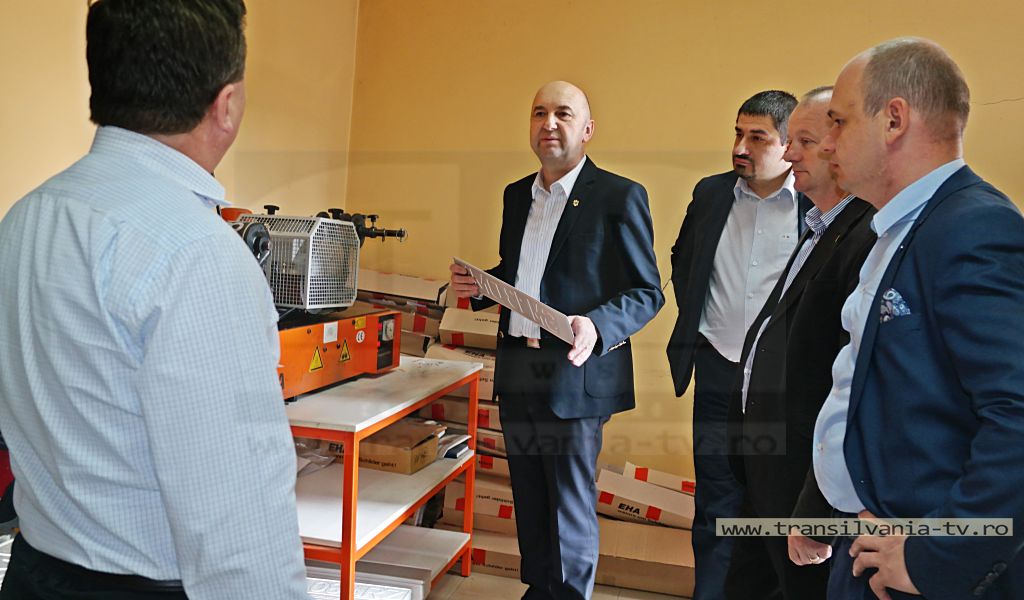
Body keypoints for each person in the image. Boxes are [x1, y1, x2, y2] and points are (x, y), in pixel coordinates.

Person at [0, 1, 308, 598]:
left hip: (33, 571)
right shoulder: (198, 254)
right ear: (226, 104)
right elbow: (238, 528)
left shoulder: (27, 218)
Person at [812, 37, 1024, 599]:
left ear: (894, 120)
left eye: (839, 122)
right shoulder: (898, 227)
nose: (827, 142)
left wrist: (938, 556)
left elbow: (1017, 413)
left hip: (920, 566)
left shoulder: (973, 228)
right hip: (869, 541)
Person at [448, 81, 663, 600]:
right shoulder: (516, 194)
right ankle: (540, 589)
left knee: (568, 503)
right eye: (539, 112)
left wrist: (597, 324)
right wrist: (479, 288)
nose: (548, 123)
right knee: (530, 495)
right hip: (518, 367)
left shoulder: (619, 196)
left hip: (575, 371)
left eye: (563, 114)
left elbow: (646, 292)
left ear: (587, 130)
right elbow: (522, 274)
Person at [723, 87, 876, 600]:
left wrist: (817, 515)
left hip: (804, 485)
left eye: (803, 142)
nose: (789, 155)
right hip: (767, 468)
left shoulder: (865, 237)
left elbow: (851, 387)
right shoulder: (820, 226)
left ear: (840, 146)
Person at [666, 89, 808, 599]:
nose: (740, 148)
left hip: (783, 384)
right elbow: (684, 261)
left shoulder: (816, 203)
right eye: (738, 133)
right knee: (715, 504)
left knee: (776, 508)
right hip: (718, 373)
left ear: (788, 144)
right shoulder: (710, 194)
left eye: (757, 138)